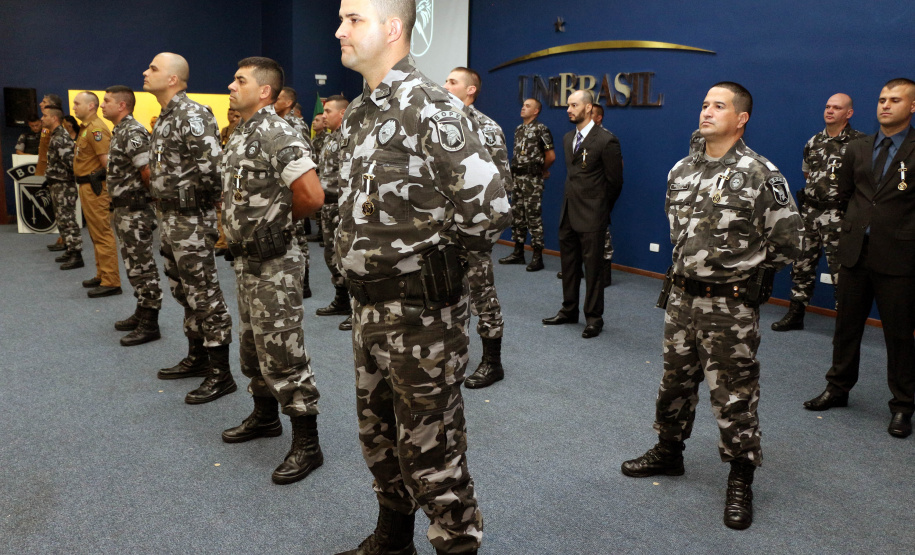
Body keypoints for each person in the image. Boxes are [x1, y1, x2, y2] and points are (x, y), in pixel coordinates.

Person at [333, 1, 510, 553]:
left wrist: (436, 264)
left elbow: (490, 207)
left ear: (392, 28)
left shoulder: (430, 107)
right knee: (379, 436)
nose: (339, 29)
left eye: (353, 18)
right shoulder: (362, 113)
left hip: (420, 315)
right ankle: (393, 538)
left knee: (432, 450)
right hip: (368, 309)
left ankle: (457, 544)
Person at [621, 82, 803, 530]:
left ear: (741, 118)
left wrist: (749, 276)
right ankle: (669, 452)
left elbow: (791, 241)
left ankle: (740, 478)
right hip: (681, 300)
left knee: (735, 395)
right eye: (704, 104)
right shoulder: (680, 170)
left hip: (730, 308)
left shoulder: (762, 174)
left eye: (718, 106)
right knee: (674, 384)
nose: (707, 112)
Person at [219, 56, 327, 484]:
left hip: (275, 262)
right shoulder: (242, 132)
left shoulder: (276, 131)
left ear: (264, 91)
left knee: (282, 350)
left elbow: (312, 195)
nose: (230, 85)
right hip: (246, 259)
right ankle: (265, 417)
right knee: (252, 345)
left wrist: (277, 229)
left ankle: (308, 443)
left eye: (239, 79)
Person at [804, 78, 915, 439]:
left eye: (895, 100)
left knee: (898, 335)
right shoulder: (859, 148)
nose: (885, 105)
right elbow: (847, 194)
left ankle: (902, 406)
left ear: (911, 107)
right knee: (846, 326)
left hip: (899, 256)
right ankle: (838, 388)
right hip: (854, 251)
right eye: (882, 99)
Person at [143, 52, 235, 404]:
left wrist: (199, 210)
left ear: (172, 79)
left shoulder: (192, 114)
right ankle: (198, 357)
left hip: (190, 220)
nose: (145, 72)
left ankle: (221, 373)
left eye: (153, 68)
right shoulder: (166, 117)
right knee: (183, 291)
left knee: (204, 295)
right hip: (169, 219)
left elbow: (214, 171)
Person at [444, 66, 513, 388]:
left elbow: (502, 182)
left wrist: (480, 226)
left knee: (481, 292)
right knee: (448, 291)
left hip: (473, 227)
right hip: (442, 226)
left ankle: (492, 361)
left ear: (471, 90)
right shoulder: (440, 124)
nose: (445, 86)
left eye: (452, 82)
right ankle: (456, 350)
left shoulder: (485, 127)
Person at [772, 93, 865, 331]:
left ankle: (844, 321)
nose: (830, 111)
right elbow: (808, 174)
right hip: (810, 213)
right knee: (801, 265)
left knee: (841, 271)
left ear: (849, 113)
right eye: (827, 106)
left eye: (836, 107)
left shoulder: (860, 143)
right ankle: (796, 313)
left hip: (839, 216)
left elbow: (865, 183)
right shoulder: (814, 142)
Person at [542, 90, 623, 339]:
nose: (569, 109)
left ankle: (593, 318)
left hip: (592, 215)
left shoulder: (606, 140)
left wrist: (599, 209)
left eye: (574, 105)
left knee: (593, 270)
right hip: (568, 212)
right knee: (568, 265)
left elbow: (615, 182)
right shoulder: (568, 138)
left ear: (588, 108)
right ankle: (569, 310)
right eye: (568, 105)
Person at [101, 85, 163, 346]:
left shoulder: (133, 131)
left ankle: (150, 321)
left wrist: (151, 202)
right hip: (124, 208)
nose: (102, 105)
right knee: (133, 265)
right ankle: (142, 309)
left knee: (142, 266)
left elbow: (148, 171)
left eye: (106, 101)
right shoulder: (120, 131)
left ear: (122, 105)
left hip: (135, 210)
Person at [71, 91, 122, 297]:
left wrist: (97, 178)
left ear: (90, 106)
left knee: (102, 233)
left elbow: (108, 164)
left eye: (77, 103)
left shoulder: (97, 129)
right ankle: (103, 273)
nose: (73, 107)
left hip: (95, 188)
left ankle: (111, 281)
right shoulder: (86, 129)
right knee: (95, 234)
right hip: (86, 186)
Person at [500, 97, 555, 270]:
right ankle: (518, 253)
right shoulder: (518, 129)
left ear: (536, 111)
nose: (523, 108)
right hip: (517, 178)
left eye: (527, 106)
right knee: (517, 216)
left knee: (533, 217)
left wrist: (541, 170)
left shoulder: (541, 129)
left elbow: (551, 156)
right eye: (523, 105)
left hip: (532, 180)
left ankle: (537, 256)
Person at [314, 94, 353, 331]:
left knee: (347, 257)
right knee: (331, 255)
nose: (323, 115)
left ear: (342, 113)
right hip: (327, 206)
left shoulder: (350, 138)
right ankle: (341, 299)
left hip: (342, 206)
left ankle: (355, 305)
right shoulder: (329, 139)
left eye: (328, 111)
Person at [41, 107, 80, 264]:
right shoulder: (55, 135)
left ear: (54, 118)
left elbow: (71, 163)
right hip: (57, 183)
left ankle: (76, 254)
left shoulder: (61, 137)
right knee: (62, 219)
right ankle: (69, 249)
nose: (42, 118)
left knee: (68, 219)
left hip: (64, 185)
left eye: (45, 116)